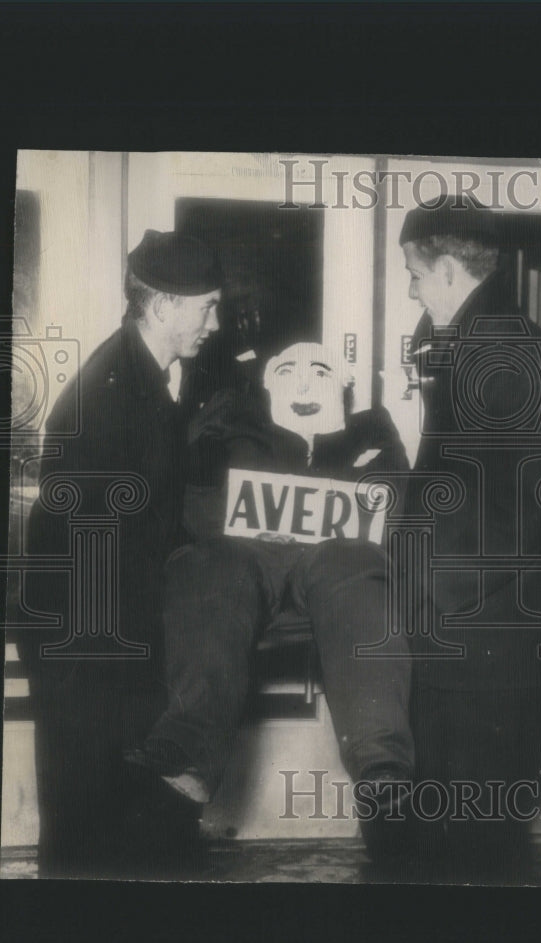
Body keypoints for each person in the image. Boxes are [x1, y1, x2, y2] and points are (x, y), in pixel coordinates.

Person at [126, 342, 415, 863]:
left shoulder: (370, 428)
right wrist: (255, 518)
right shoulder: (227, 420)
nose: (304, 385)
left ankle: (383, 777)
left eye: (321, 371)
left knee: (358, 575)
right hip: (242, 560)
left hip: (331, 564)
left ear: (345, 385)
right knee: (208, 569)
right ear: (264, 384)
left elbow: (393, 501)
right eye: (287, 371)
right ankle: (184, 757)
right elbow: (185, 491)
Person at [19, 230, 222, 878]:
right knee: (87, 835)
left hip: (106, 634)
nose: (215, 323)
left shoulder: (145, 377)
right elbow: (97, 540)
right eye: (207, 306)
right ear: (162, 304)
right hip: (86, 640)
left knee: (121, 835)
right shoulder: (111, 392)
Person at [398, 197, 541, 882]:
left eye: (415, 275)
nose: (412, 290)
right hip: (471, 645)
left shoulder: (501, 350)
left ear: (445, 268)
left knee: (472, 851)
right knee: (451, 841)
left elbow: (525, 510)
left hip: (483, 651)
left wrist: (425, 596)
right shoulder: (480, 341)